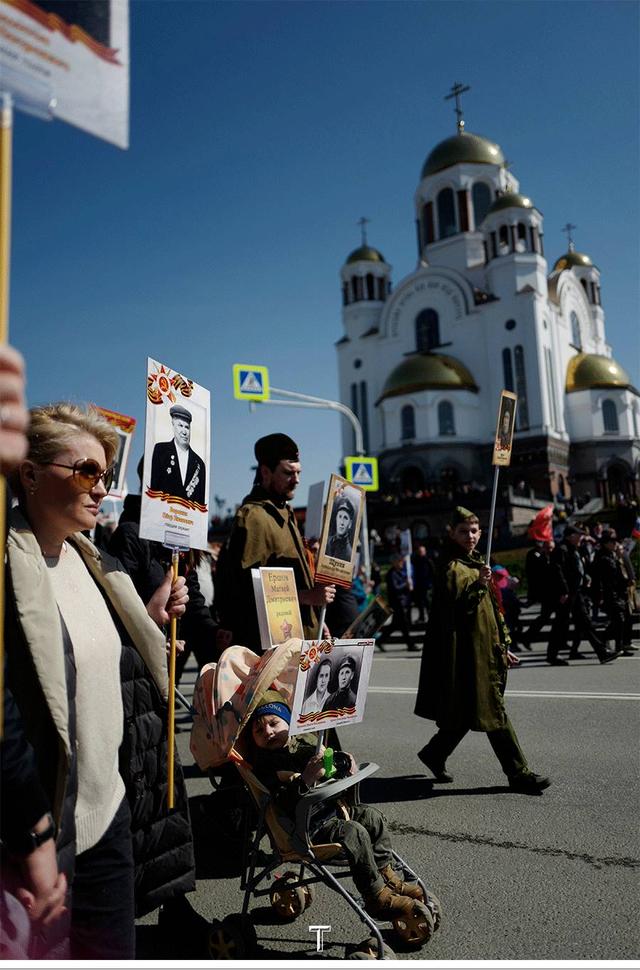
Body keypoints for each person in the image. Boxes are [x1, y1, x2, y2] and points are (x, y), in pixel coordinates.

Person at [5, 403, 195, 959]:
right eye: (86, 471)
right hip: (38, 839)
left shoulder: (97, 563)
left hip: (108, 816)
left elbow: (97, 667)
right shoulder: (8, 570)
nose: (100, 487)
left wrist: (152, 621)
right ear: (31, 473)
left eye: (105, 476)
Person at [247, 690, 430, 923]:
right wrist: (305, 780)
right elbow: (281, 801)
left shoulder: (306, 745)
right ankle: (375, 896)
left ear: (289, 722)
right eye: (259, 730)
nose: (268, 732)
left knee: (372, 817)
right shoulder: (264, 766)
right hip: (305, 828)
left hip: (332, 809)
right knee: (355, 832)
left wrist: (344, 765)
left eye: (273, 723)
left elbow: (332, 774)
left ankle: (386, 873)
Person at [414, 506, 551, 795]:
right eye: (463, 531)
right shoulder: (452, 567)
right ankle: (519, 773)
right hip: (465, 656)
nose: (470, 536)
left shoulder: (476, 563)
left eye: (474, 531)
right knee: (493, 711)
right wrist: (479, 584)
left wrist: (503, 647)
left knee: (469, 711)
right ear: (451, 533)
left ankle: (435, 753)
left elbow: (491, 615)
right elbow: (460, 608)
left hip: (483, 651)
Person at [216, 433, 335, 647]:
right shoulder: (255, 517)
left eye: (299, 473)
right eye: (288, 473)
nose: (296, 480)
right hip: (270, 645)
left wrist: (315, 619)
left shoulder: (284, 512)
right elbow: (247, 589)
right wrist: (308, 597)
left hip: (297, 638)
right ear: (265, 472)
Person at [109, 458, 221, 684]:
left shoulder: (179, 537)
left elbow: (193, 597)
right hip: (137, 669)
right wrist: (152, 634)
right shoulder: (130, 535)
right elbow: (118, 609)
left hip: (171, 661)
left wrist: (213, 632)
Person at [548, 525, 617, 665]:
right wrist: (563, 591)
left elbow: (578, 568)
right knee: (560, 624)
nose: (580, 537)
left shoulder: (574, 549)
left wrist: (585, 577)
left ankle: (602, 653)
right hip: (567, 593)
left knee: (586, 623)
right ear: (569, 536)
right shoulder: (562, 550)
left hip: (576, 592)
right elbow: (557, 571)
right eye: (577, 534)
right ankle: (552, 656)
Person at [150, 404, 206, 506]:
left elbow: (200, 502)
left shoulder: (199, 464)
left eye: (187, 427)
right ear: (173, 426)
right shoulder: (161, 451)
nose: (184, 432)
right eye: (180, 426)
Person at [592, 530, 634, 657]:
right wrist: (599, 595)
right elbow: (598, 579)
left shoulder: (612, 555)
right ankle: (607, 641)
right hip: (609, 593)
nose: (615, 544)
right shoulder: (602, 557)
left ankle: (618, 645)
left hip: (618, 592)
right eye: (612, 541)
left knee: (621, 619)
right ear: (605, 543)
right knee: (618, 620)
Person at [384, 554, 416, 650]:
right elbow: (395, 588)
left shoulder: (401, 572)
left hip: (403, 602)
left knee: (396, 625)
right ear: (394, 562)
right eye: (400, 561)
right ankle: (410, 645)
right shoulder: (392, 574)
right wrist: (405, 584)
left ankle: (380, 640)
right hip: (397, 602)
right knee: (404, 625)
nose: (402, 563)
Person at [326, 495, 355, 561]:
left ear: (350, 524)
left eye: (345, 518)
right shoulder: (326, 542)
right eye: (340, 516)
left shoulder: (349, 553)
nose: (341, 522)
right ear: (336, 518)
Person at [411, 544, 433, 624]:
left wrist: (430, 584)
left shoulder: (428, 561)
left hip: (427, 586)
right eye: (420, 551)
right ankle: (422, 617)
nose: (421, 553)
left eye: (423, 551)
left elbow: (432, 573)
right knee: (419, 603)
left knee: (428, 603)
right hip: (418, 585)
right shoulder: (415, 560)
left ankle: (431, 618)